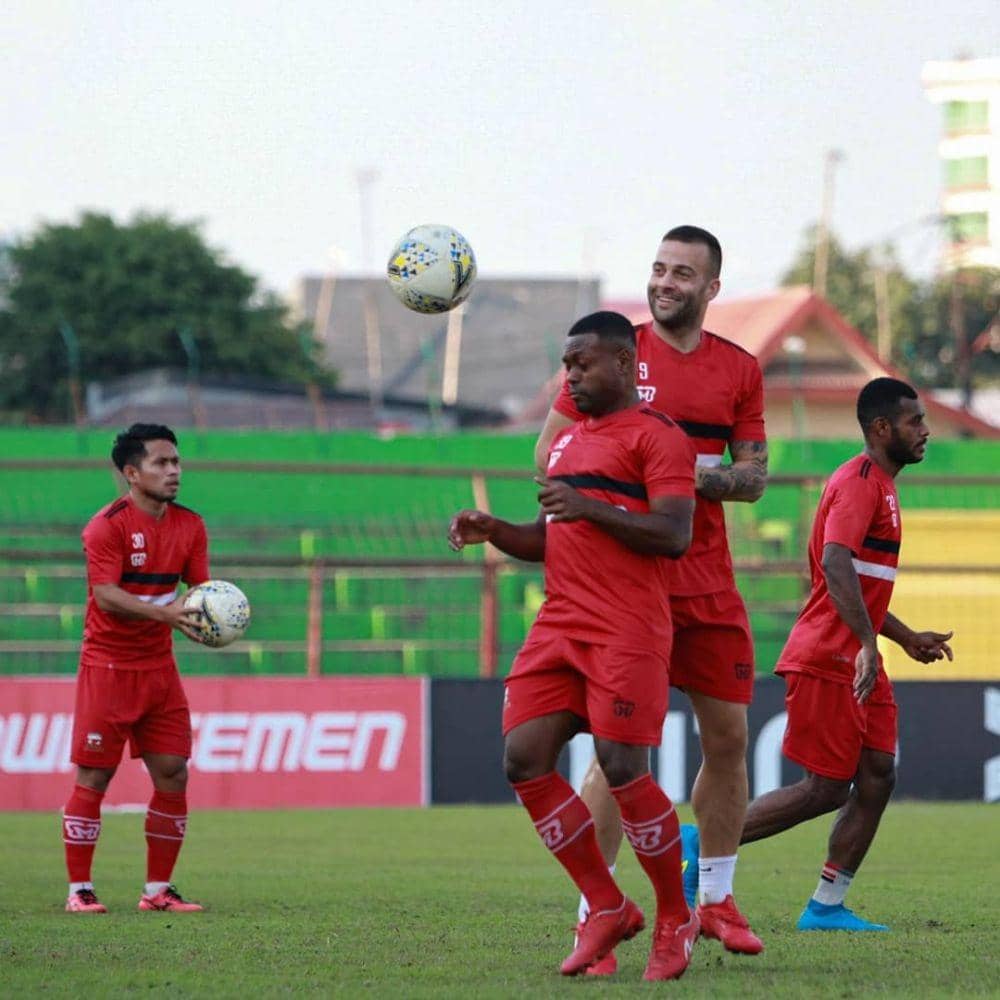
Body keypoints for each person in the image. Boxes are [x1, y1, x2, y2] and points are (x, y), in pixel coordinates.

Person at [534, 226, 767, 966]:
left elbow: (753, 476)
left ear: (711, 288)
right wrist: (646, 481)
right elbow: (548, 458)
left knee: (728, 737)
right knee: (614, 756)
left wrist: (679, 474)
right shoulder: (610, 354)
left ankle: (717, 900)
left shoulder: (739, 368)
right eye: (659, 269)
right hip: (631, 583)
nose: (666, 282)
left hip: (707, 580)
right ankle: (592, 915)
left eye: (683, 273)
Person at [449, 311, 700, 980]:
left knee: (623, 769)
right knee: (523, 758)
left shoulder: (658, 438)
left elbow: (674, 534)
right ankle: (606, 903)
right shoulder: (566, 444)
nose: (571, 377)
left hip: (627, 627)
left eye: (581, 365)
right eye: (566, 366)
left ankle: (674, 916)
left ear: (622, 364)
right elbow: (547, 537)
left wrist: (589, 508)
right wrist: (495, 528)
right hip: (560, 623)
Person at [739, 377, 953, 931]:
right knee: (825, 787)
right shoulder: (859, 482)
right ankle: (701, 843)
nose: (925, 431)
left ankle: (827, 906)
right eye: (915, 422)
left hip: (859, 656)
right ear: (882, 429)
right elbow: (835, 564)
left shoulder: (882, 484)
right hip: (830, 656)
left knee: (879, 772)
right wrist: (864, 644)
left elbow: (857, 580)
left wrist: (902, 638)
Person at [62, 423, 210, 914]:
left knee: (173, 772)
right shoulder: (107, 526)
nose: (173, 472)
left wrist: (213, 618)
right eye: (161, 463)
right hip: (108, 666)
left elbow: (202, 592)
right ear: (131, 472)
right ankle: (79, 890)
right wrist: (167, 614)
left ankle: (157, 892)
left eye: (176, 462)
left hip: (159, 670)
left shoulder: (190, 525)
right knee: (94, 778)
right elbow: (105, 595)